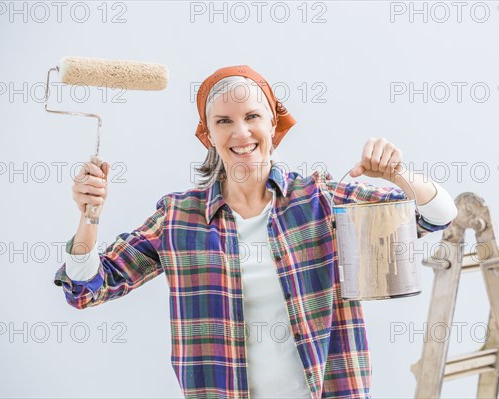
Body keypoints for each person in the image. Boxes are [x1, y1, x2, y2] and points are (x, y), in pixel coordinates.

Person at [53, 65, 458, 398]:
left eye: (252, 117)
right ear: (208, 135)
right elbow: (87, 288)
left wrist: (399, 174)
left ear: (273, 125)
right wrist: (89, 217)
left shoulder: (320, 199)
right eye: (224, 121)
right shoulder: (178, 217)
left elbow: (437, 216)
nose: (240, 132)